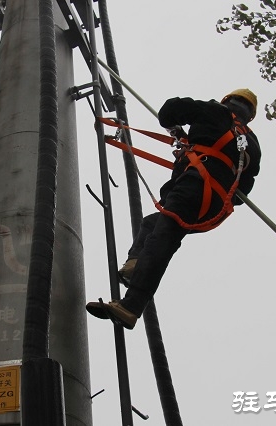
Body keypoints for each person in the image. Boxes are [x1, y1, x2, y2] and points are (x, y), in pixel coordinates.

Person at [86, 89, 262, 329]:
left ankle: (131, 306)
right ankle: (136, 263)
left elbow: (169, 111)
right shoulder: (252, 145)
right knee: (152, 224)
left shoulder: (215, 111)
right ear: (249, 115)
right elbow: (244, 191)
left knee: (163, 239)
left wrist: (180, 133)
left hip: (194, 186)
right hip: (215, 206)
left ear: (227, 101)